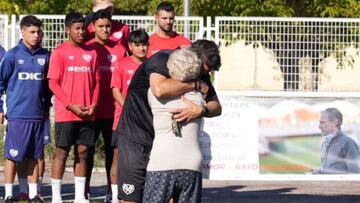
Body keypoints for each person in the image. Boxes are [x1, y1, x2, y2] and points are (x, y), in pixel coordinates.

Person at [116, 39, 221, 203]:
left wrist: (202, 110)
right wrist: (194, 84)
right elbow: (159, 89)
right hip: (136, 136)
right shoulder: (162, 59)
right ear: (192, 58)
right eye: (203, 70)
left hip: (162, 142)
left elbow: (216, 107)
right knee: (132, 199)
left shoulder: (199, 73)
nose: (204, 75)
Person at [48, 12, 100, 203]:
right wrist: (71, 105)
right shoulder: (59, 52)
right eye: (77, 29)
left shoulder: (92, 53)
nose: (81, 32)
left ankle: (80, 197)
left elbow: (97, 83)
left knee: (83, 152)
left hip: (87, 113)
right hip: (66, 113)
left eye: (83, 28)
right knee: (61, 152)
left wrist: (93, 104)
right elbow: (53, 83)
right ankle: (56, 197)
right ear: (67, 30)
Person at [0, 15, 51, 203]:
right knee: (13, 156)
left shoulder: (45, 56)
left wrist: (46, 107)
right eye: (32, 32)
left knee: (34, 156)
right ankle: (8, 194)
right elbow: (0, 83)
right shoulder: (12, 55)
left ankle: (32, 194)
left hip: (38, 115)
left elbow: (48, 87)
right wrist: (0, 108)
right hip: (17, 115)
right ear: (22, 32)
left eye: (39, 32)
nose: (36, 35)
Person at [143, 47, 203, 203]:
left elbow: (160, 89)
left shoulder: (154, 93)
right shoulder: (199, 95)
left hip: (162, 162)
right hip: (192, 163)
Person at [84, 9, 127, 201]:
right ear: (93, 27)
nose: (104, 29)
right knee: (87, 153)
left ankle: (113, 192)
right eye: (100, 26)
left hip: (113, 112)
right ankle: (83, 190)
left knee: (113, 154)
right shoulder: (87, 48)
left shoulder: (120, 49)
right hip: (91, 111)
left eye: (108, 26)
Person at [110, 28, 149, 202]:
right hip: (123, 121)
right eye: (138, 45)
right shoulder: (121, 64)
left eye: (144, 44)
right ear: (130, 46)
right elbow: (116, 91)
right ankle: (115, 194)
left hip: (146, 124)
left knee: (145, 161)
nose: (141, 48)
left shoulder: (152, 65)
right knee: (119, 160)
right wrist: (131, 108)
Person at [314, 108, 360, 174]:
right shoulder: (324, 143)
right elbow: (333, 169)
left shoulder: (348, 143)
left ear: (335, 122)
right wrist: (320, 171)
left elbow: (355, 174)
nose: (319, 126)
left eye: (322, 122)